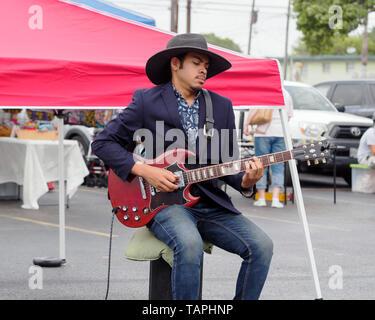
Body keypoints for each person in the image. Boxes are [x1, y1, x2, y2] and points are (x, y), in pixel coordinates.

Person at [92, 33, 273, 300]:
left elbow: (229, 164)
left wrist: (247, 181)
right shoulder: (146, 101)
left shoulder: (221, 106)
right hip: (164, 203)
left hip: (211, 203)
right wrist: (145, 170)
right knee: (189, 245)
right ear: (175, 64)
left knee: (262, 246)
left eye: (206, 66)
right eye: (197, 62)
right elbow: (103, 143)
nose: (203, 70)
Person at [243, 90, 293, 208]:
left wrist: (246, 124)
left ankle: (261, 198)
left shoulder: (263, 91)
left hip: (262, 134)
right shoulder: (286, 94)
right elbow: (289, 115)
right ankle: (275, 199)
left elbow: (254, 109)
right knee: (278, 166)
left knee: (261, 165)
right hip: (281, 133)